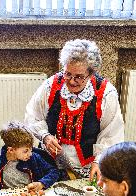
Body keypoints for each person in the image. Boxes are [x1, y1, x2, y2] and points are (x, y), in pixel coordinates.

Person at [25, 39, 124, 181]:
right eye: (67, 74)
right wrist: (45, 136)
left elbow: (111, 134)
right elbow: (33, 115)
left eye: (79, 77)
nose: (71, 81)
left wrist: (99, 161)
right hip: (51, 161)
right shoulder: (51, 86)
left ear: (91, 74)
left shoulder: (106, 93)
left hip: (88, 165)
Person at [0, 121, 60, 191]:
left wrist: (42, 183)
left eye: (31, 149)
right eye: (26, 151)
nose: (30, 154)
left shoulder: (34, 158)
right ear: (11, 150)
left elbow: (54, 172)